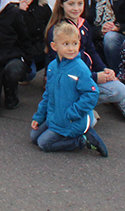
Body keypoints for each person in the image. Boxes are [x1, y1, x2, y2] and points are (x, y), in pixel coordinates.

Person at [43, 0, 125, 107]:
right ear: (61, 4)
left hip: (86, 77)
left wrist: (104, 69)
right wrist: (94, 77)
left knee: (120, 91)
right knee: (87, 123)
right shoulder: (57, 30)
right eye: (71, 4)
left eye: (79, 3)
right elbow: (65, 67)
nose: (76, 8)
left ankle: (84, 104)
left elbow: (91, 51)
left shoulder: (84, 24)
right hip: (67, 82)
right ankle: (71, 106)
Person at [30, 22, 108, 157]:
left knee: (43, 143)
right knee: (33, 138)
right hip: (55, 117)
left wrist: (72, 113)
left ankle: (82, 140)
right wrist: (39, 116)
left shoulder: (80, 69)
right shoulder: (53, 66)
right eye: (66, 44)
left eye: (75, 43)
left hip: (71, 120)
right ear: (54, 46)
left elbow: (91, 94)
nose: (71, 48)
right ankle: (64, 132)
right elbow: (48, 94)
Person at [13, 0, 51, 75]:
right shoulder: (13, 10)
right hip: (25, 51)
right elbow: (21, 33)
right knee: (29, 74)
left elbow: (52, 27)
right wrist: (22, 13)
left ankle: (48, 76)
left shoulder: (44, 7)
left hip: (42, 48)